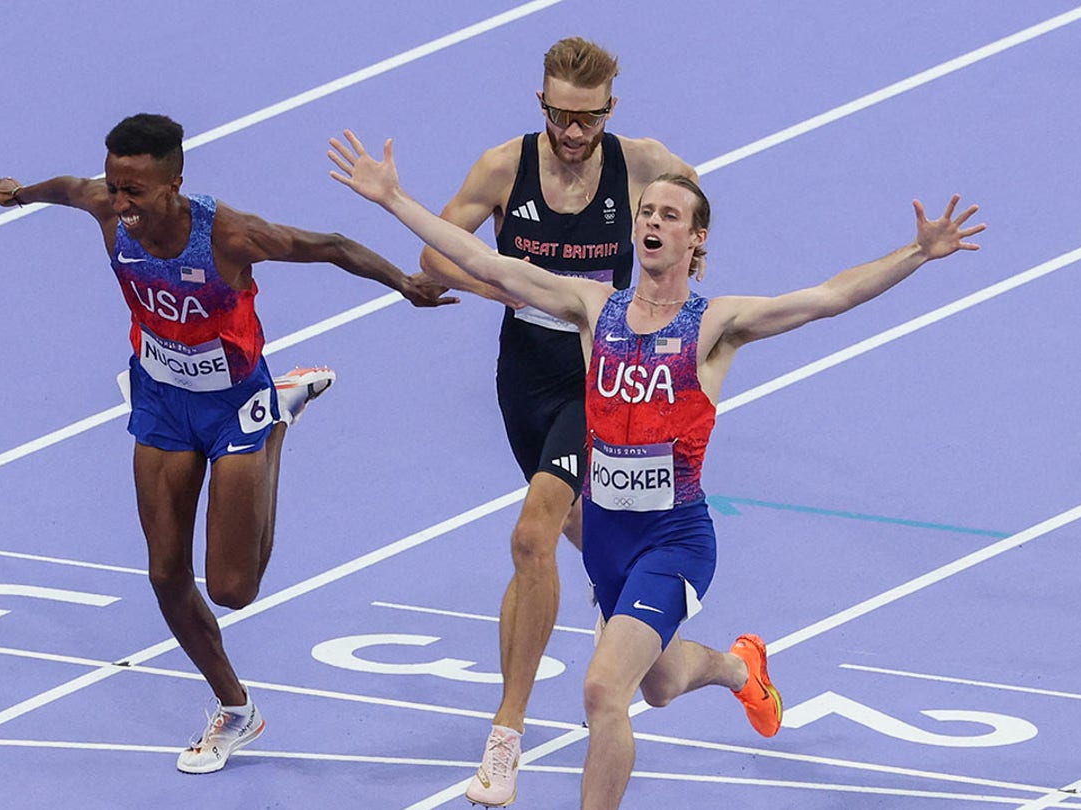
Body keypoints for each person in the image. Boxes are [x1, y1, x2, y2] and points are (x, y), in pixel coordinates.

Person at [328, 130, 984, 808]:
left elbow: (828, 297)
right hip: (608, 543)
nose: (653, 223)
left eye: (670, 216)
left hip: (674, 541)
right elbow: (484, 261)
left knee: (601, 690)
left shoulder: (716, 325)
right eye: (647, 213)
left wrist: (918, 253)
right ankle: (738, 667)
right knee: (661, 685)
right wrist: (393, 199)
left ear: (696, 240)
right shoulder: (594, 308)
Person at [0, 113, 455, 775]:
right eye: (115, 187)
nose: (121, 205)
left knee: (234, 588)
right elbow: (69, 187)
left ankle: (279, 421)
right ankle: (235, 709)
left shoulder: (229, 235)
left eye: (135, 192)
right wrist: (21, 192)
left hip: (235, 408)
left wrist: (404, 283)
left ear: (175, 182)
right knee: (164, 573)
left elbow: (333, 245)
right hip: (163, 402)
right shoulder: (104, 207)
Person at [410, 36, 696, 805]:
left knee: (533, 534)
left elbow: (694, 234)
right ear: (543, 104)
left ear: (610, 107)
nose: (572, 135)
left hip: (600, 381)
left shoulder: (643, 165)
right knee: (617, 597)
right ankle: (724, 665)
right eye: (559, 117)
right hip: (523, 381)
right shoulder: (505, 167)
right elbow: (438, 258)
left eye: (587, 120)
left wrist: (659, 316)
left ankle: (506, 739)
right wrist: (508, 292)